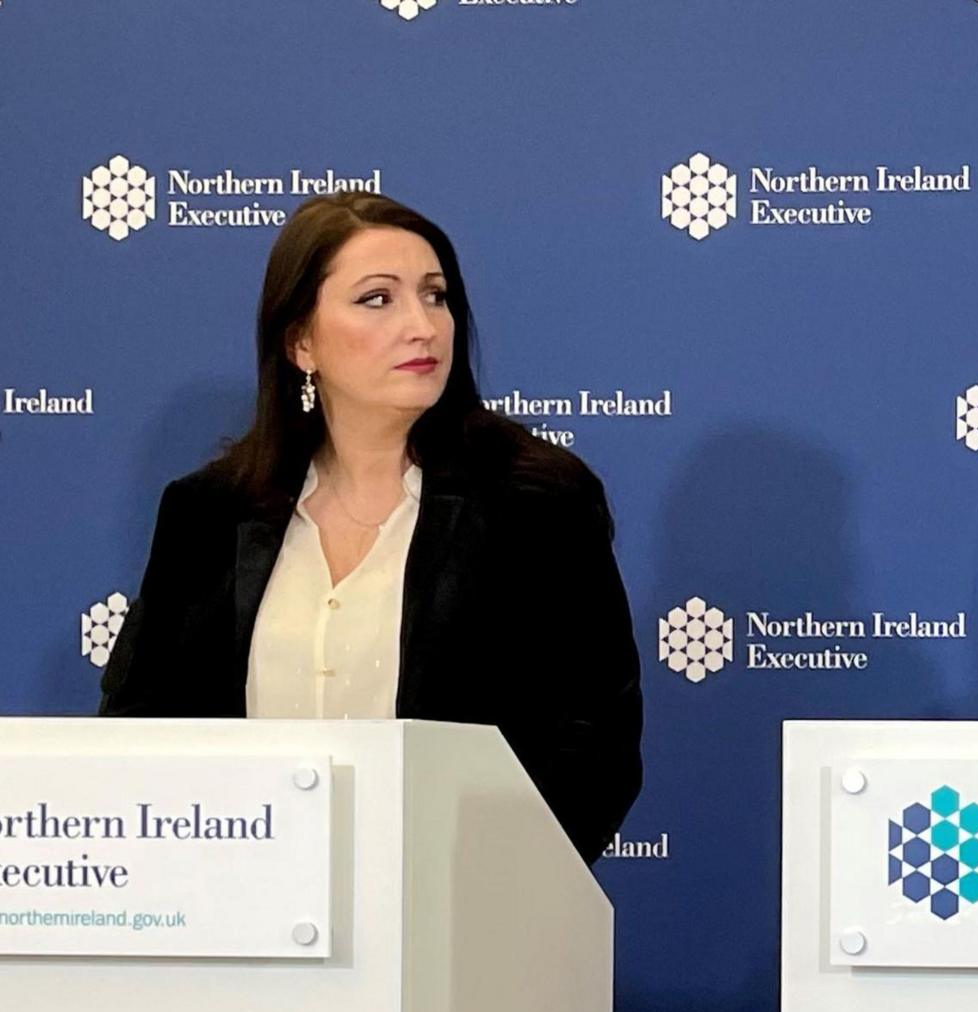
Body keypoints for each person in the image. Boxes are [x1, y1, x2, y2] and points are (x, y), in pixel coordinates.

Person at [101, 192, 642, 861]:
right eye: (378, 300)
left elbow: (593, 752)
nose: (424, 326)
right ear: (301, 341)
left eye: (436, 296)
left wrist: (467, 891)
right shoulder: (210, 513)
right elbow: (138, 735)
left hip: (461, 924)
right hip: (245, 922)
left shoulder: (536, 504)